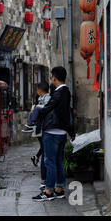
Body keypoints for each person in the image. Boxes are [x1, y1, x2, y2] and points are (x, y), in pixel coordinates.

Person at [32, 67, 75, 202]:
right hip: (61, 132)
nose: (51, 79)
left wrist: (38, 114)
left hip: (52, 132)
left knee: (49, 162)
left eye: (51, 77)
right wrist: (70, 131)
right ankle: (59, 189)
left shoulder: (59, 93)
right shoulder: (66, 92)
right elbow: (67, 114)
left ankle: (48, 191)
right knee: (58, 161)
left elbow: (48, 108)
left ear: (54, 78)